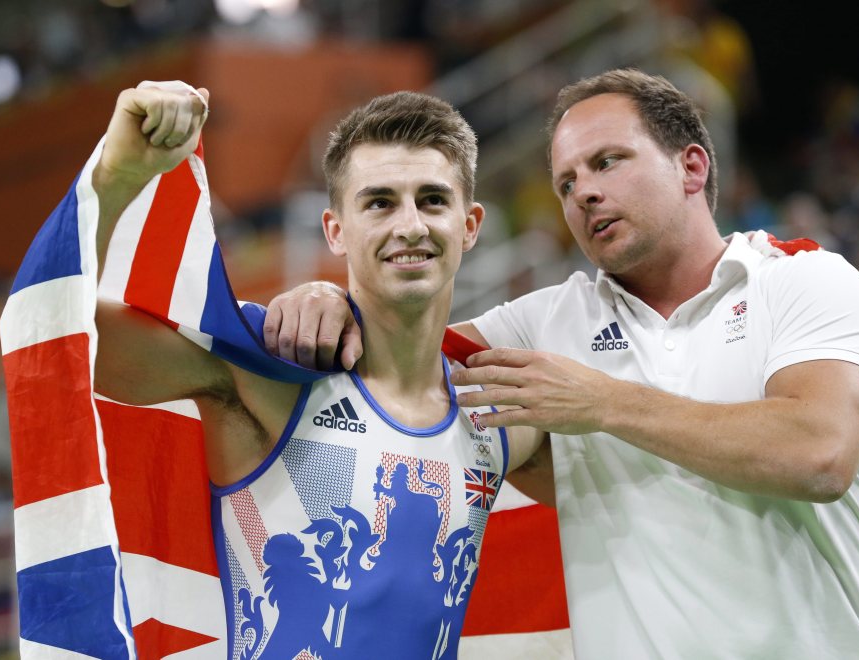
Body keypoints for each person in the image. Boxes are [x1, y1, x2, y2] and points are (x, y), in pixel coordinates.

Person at [265, 69, 859, 659]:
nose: (584, 194)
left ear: (690, 167)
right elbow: (392, 349)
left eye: (607, 162)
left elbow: (820, 454)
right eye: (566, 183)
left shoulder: (804, 282)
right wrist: (326, 301)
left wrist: (606, 403)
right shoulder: (547, 323)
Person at [89, 81, 541, 659]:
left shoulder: (505, 419)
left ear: (470, 225)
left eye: (432, 199)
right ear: (335, 230)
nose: (410, 226)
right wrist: (119, 173)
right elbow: (63, 338)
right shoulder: (266, 380)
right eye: (379, 202)